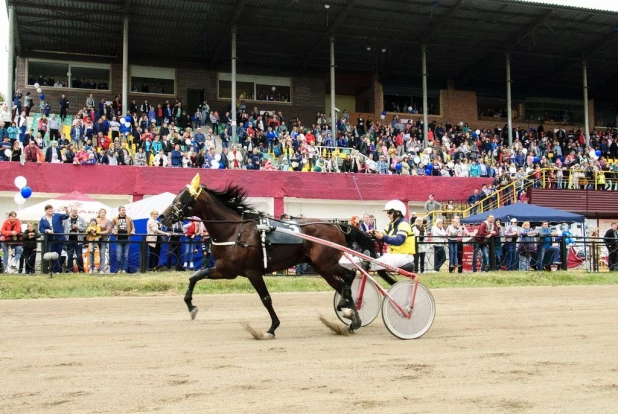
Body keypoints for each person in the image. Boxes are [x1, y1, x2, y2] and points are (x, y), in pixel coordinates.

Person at [340, 200, 415, 286]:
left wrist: (382, 237)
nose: (388, 215)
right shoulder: (391, 225)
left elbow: (399, 241)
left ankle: (364, 263)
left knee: (373, 262)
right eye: (387, 212)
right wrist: (374, 233)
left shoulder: (404, 224)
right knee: (370, 260)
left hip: (404, 256)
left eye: (390, 212)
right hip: (392, 255)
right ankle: (349, 262)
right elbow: (382, 233)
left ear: (398, 212)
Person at [39, 205, 69, 274]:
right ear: (45, 210)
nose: (50, 210)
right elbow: (41, 229)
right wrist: (46, 230)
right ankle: (50, 269)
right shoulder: (43, 219)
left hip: (59, 238)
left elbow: (66, 216)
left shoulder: (57, 216)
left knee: (58, 254)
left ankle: (57, 270)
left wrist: (67, 211)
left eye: (51, 209)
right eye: (48, 209)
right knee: (50, 255)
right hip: (50, 239)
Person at [111, 206, 135, 274]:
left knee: (126, 256)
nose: (124, 211)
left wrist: (132, 231)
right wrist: (113, 231)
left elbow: (133, 227)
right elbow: (111, 227)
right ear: (119, 211)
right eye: (122, 210)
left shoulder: (129, 218)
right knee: (118, 255)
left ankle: (124, 269)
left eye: (124, 210)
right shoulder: (115, 218)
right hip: (118, 239)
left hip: (127, 239)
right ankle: (119, 269)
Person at [63, 207, 87, 273]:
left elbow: (85, 228)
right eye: (73, 210)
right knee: (70, 256)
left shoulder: (81, 219)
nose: (75, 212)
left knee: (79, 255)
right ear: (71, 211)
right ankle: (70, 270)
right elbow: (62, 228)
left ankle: (81, 270)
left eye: (76, 210)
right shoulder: (66, 220)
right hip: (69, 240)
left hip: (78, 240)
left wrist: (77, 227)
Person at [96, 208, 112, 274]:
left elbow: (108, 231)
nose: (103, 213)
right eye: (101, 212)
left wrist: (100, 233)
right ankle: (93, 267)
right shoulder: (96, 220)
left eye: (104, 212)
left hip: (104, 238)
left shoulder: (108, 221)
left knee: (102, 253)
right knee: (95, 253)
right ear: (99, 213)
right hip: (96, 238)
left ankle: (102, 269)